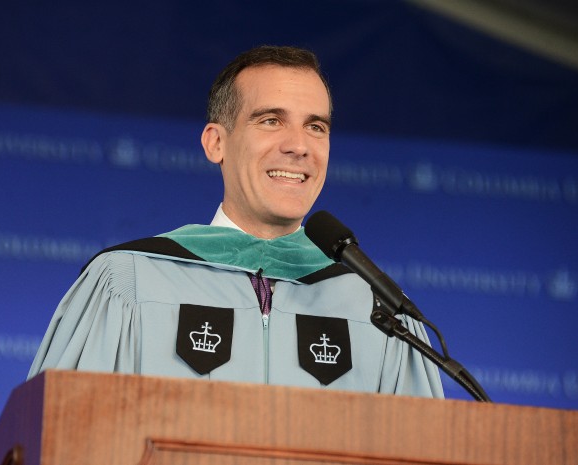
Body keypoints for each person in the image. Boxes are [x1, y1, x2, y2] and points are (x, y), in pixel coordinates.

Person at [28, 45, 444, 398]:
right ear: (216, 143)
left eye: (315, 126)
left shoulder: (382, 311)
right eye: (270, 120)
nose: (298, 146)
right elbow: (61, 435)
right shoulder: (128, 282)